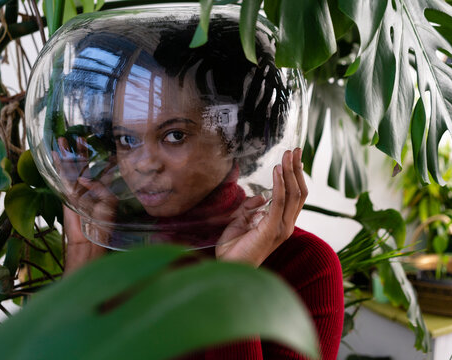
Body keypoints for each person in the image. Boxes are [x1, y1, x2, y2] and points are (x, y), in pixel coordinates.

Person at [53, 10, 343, 359]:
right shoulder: (110, 245)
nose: (143, 164)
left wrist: (232, 282)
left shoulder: (304, 265)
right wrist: (81, 266)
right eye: (126, 139)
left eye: (174, 135)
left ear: (236, 136)